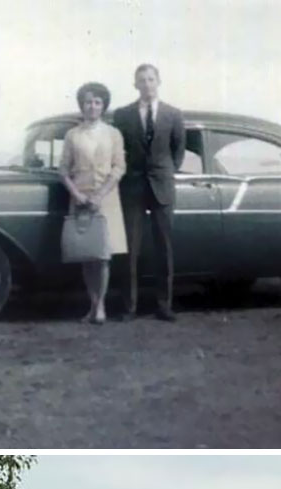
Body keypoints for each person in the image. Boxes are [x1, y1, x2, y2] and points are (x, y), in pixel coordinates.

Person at [113, 64, 186, 322]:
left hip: (162, 186)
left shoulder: (173, 114)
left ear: (159, 81)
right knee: (130, 248)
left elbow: (179, 151)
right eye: (141, 80)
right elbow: (117, 149)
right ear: (135, 85)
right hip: (132, 186)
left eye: (151, 79)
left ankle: (164, 305)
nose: (147, 84)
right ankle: (129, 307)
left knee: (164, 247)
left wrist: (165, 172)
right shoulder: (122, 115)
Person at [59, 82, 128, 324]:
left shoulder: (113, 134)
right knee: (87, 255)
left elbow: (120, 167)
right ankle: (92, 304)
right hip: (80, 197)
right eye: (88, 102)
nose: (92, 106)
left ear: (103, 106)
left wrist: (100, 195)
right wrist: (78, 195)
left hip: (106, 198)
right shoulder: (73, 135)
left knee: (103, 255)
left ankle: (101, 307)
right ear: (82, 105)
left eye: (97, 102)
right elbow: (63, 170)